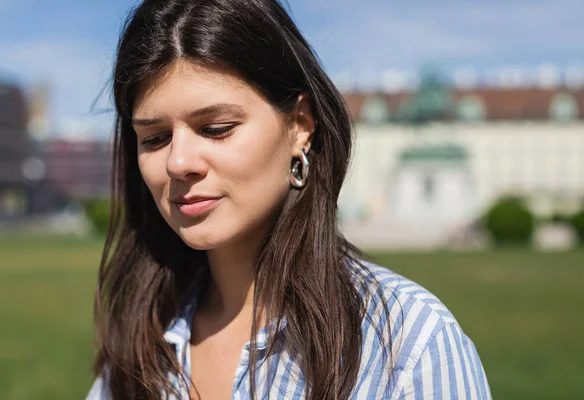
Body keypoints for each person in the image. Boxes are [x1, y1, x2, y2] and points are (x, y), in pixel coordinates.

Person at [86, 0, 492, 399]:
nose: (179, 162)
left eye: (216, 128)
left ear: (300, 126)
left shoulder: (407, 346)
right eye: (155, 138)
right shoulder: (139, 337)